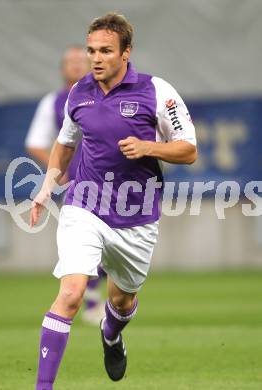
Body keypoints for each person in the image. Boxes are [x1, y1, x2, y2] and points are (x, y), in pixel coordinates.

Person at [30, 12, 197, 390]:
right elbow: (64, 144)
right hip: (84, 205)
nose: (96, 58)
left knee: (121, 302)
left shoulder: (156, 91)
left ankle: (111, 334)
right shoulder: (79, 93)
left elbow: (189, 150)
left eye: (105, 50)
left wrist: (148, 147)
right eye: (91, 50)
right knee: (71, 294)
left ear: (126, 53)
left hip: (136, 217)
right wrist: (47, 185)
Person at [25, 46, 106, 325]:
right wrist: (58, 172)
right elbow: (36, 142)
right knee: (85, 243)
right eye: (70, 62)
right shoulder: (54, 102)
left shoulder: (110, 95)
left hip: (114, 181)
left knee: (110, 242)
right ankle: (92, 301)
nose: (76, 65)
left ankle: (99, 301)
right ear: (62, 69)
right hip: (78, 185)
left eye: (80, 60)